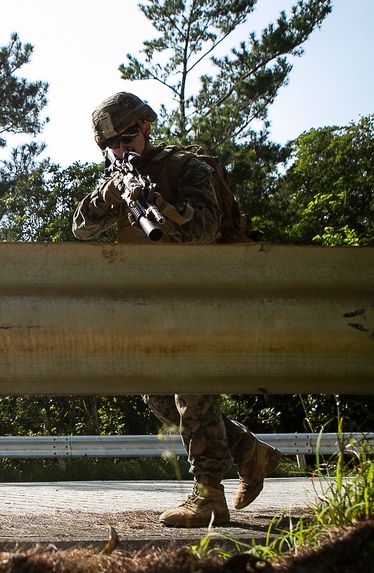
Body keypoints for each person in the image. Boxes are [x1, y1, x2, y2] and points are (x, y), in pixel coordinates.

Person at [72, 91, 281, 528]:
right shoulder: (119, 179)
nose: (119, 149)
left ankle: (208, 496)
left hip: (200, 295)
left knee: (192, 388)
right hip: (153, 303)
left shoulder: (186, 167)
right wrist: (110, 197)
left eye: (126, 138)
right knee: (159, 397)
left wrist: (161, 209)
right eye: (110, 145)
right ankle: (250, 452)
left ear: (146, 126)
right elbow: (81, 229)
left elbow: (206, 229)